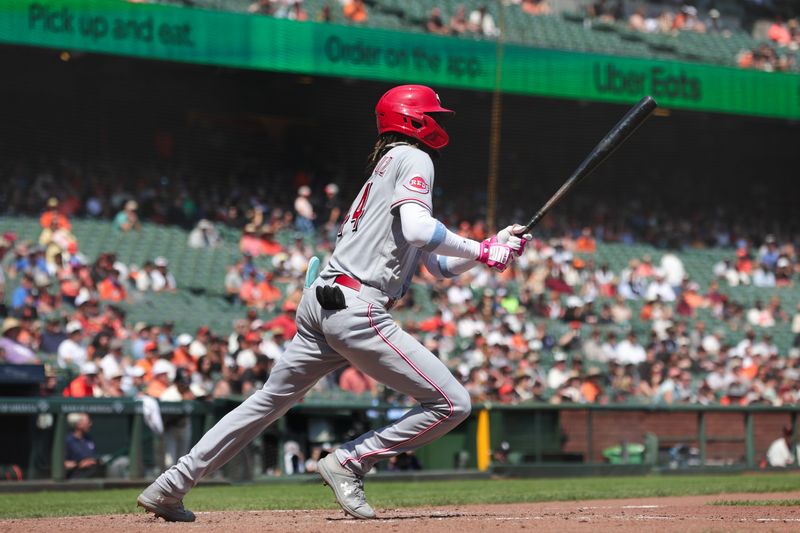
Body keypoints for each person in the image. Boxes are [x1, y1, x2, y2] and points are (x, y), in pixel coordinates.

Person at [137, 85, 530, 522]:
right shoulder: (415, 158)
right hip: (356, 308)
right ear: (415, 120)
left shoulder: (385, 167)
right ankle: (350, 461)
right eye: (435, 115)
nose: (441, 122)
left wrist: (491, 247)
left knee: (266, 402)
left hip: (321, 302)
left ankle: (171, 484)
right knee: (451, 403)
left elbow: (434, 265)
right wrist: (480, 250)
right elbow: (420, 231)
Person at [64, 413, 99, 478]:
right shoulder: (68, 441)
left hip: (93, 475)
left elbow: (93, 456)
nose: (90, 424)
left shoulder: (89, 438)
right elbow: (63, 463)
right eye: (88, 422)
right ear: (78, 424)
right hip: (76, 478)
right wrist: (79, 464)